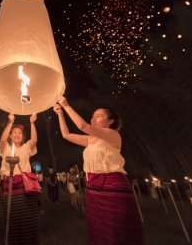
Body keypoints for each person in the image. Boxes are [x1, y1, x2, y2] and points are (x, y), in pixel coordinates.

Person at [54, 98, 143, 245]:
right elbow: (66, 135)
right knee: (99, 232)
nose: (94, 119)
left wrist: (66, 106)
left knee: (117, 232)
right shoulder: (91, 140)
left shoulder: (113, 135)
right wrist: (60, 114)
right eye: (93, 116)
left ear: (110, 122)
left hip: (112, 187)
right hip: (93, 188)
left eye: (99, 116)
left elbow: (83, 126)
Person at [0, 113, 39, 245]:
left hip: (25, 188)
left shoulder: (27, 147)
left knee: (28, 219)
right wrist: (10, 122)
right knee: (12, 220)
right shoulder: (6, 148)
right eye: (14, 133)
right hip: (9, 186)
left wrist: (32, 122)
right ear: (10, 135)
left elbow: (34, 140)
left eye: (20, 133)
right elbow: (2, 140)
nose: (17, 134)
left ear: (23, 136)